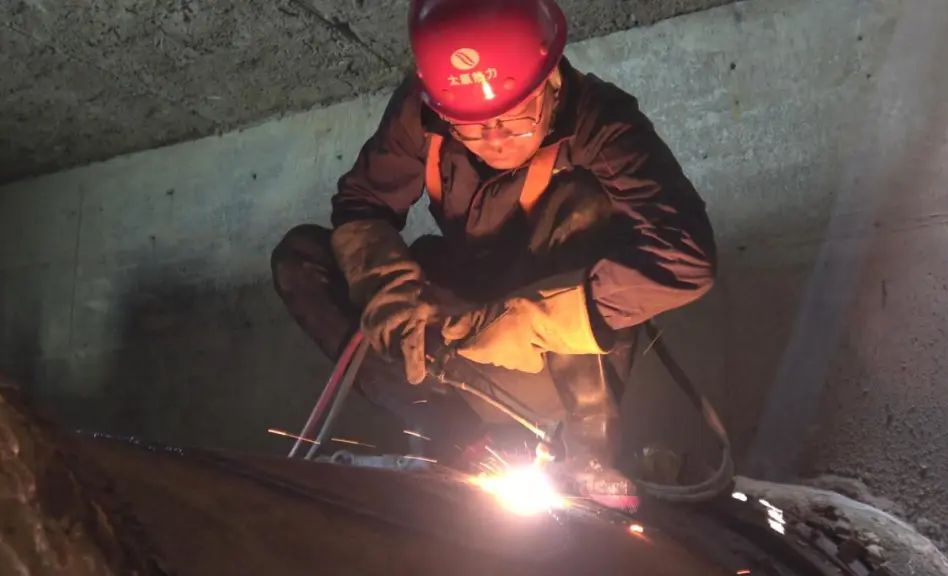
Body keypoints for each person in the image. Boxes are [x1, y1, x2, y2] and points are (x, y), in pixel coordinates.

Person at [271, 0, 716, 504]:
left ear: (550, 80)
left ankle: (587, 451)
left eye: (516, 118)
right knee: (302, 257)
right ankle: (453, 438)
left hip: (554, 347)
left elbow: (686, 258)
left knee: (583, 204)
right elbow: (362, 205)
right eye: (472, 126)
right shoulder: (425, 111)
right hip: (454, 328)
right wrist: (388, 288)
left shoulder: (602, 120)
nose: (495, 140)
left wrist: (518, 318)